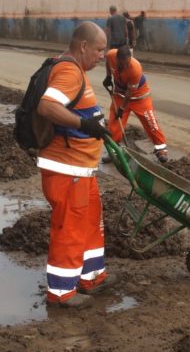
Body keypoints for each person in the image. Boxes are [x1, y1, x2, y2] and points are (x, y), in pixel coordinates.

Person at [36, 21, 116, 308]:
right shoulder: (69, 71)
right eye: (98, 49)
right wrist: (84, 124)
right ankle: (61, 293)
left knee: (92, 223)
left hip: (81, 170)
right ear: (83, 46)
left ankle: (92, 276)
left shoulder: (74, 68)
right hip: (67, 171)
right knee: (69, 228)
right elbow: (47, 106)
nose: (101, 55)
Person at [103, 45, 169, 163]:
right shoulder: (111, 55)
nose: (125, 66)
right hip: (119, 95)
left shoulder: (135, 68)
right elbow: (108, 62)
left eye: (127, 63)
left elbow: (129, 93)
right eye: (123, 63)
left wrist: (122, 108)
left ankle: (161, 149)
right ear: (117, 59)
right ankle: (114, 152)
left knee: (150, 122)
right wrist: (108, 76)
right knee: (114, 124)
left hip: (139, 97)